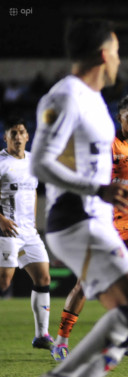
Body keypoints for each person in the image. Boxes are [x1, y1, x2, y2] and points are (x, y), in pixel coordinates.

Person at [30, 19, 128, 377]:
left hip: (96, 220)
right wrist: (97, 189)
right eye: (117, 52)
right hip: (76, 217)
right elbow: (39, 163)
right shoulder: (65, 96)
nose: (120, 60)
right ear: (104, 55)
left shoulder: (93, 100)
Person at [51, 94, 128, 362]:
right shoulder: (108, 146)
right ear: (120, 118)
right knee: (84, 284)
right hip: (106, 223)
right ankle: (61, 341)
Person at [0, 117, 53, 350]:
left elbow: (32, 194)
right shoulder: (1, 163)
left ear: (27, 136)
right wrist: (1, 220)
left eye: (21, 132)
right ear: (6, 137)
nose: (18, 137)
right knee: (4, 282)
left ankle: (42, 336)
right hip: (7, 231)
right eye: (13, 133)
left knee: (43, 278)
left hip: (29, 232)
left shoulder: (33, 161)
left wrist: (33, 224)